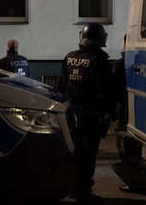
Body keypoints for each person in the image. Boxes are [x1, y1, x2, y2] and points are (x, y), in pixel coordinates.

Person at [59, 23, 114, 205]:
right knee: (88, 154)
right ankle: (84, 192)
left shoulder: (69, 58)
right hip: (90, 115)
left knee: (73, 153)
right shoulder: (99, 61)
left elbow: (61, 87)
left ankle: (73, 188)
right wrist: (107, 114)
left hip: (71, 114)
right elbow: (105, 93)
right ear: (100, 39)